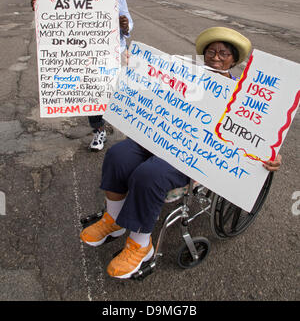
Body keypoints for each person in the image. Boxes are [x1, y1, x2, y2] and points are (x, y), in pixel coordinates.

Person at [80, 26, 282, 280]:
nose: (216, 58)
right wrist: (134, 69)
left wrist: (270, 156)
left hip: (196, 154)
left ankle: (141, 245)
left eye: (223, 54)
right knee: (118, 155)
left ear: (234, 59)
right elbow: (151, 90)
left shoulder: (240, 94)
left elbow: (257, 137)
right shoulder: (186, 73)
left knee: (149, 175)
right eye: (211, 52)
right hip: (159, 136)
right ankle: (114, 219)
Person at [31, 0, 133, 151]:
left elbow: (128, 21)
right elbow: (53, 19)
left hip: (113, 53)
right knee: (92, 96)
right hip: (86, 57)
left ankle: (128, 133)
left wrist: (125, 25)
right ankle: (98, 131)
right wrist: (40, 7)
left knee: (118, 94)